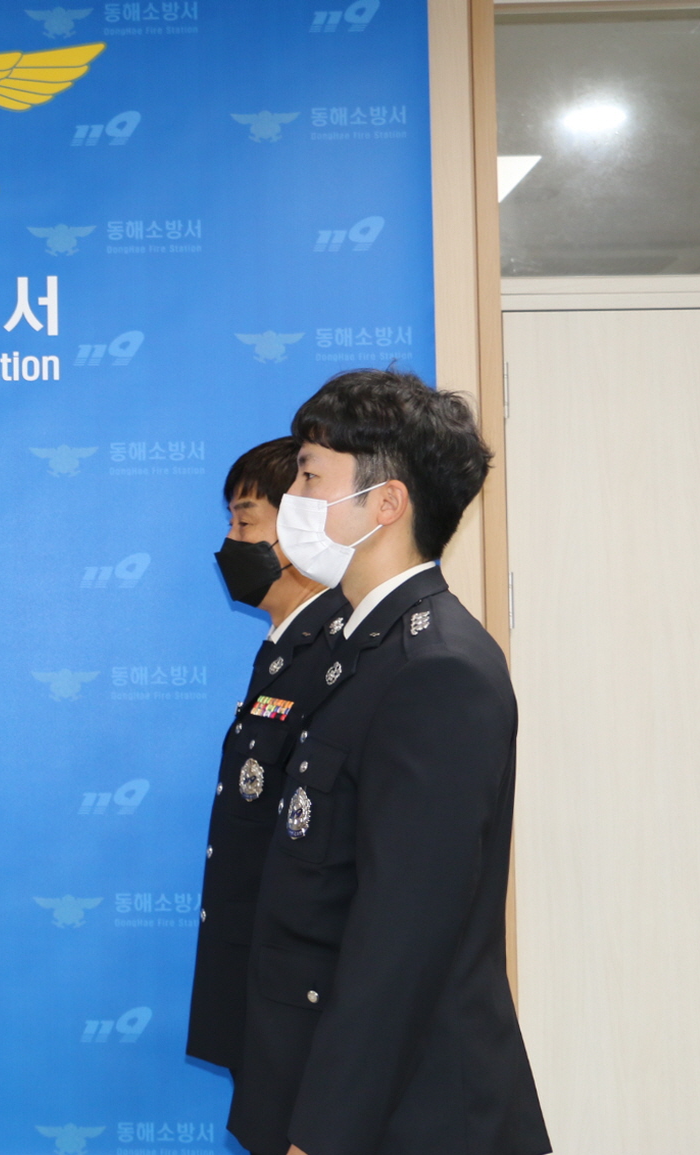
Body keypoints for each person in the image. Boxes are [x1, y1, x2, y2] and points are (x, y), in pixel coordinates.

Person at [227, 370, 548, 1155]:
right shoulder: (354, 648)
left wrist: (321, 1135)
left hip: (408, 1112)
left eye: (309, 476)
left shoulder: (437, 667)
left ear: (385, 503)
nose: (293, 499)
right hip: (336, 1084)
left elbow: (400, 937)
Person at [187, 437, 349, 1073]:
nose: (231, 542)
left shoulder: (335, 656)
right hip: (263, 985)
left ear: (302, 527)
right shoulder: (285, 651)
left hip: (301, 1002)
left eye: (244, 522)